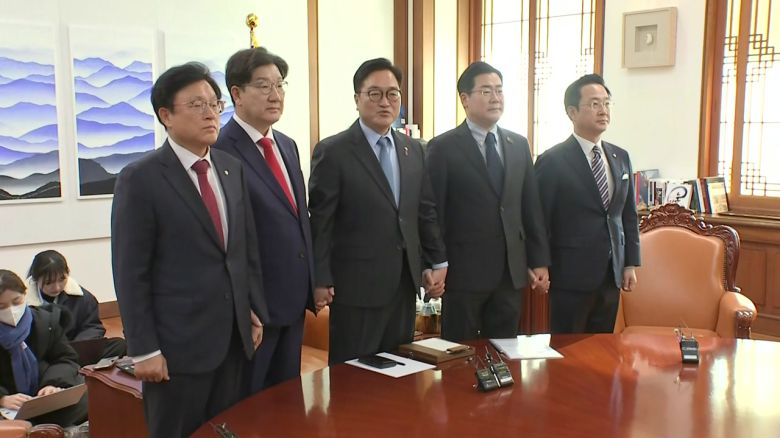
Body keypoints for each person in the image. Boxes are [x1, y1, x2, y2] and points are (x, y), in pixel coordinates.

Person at [111, 62, 268, 438]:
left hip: (232, 341)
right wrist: (144, 349)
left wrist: (251, 308)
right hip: (176, 349)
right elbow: (131, 272)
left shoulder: (230, 168)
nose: (211, 113)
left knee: (225, 431)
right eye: (197, 105)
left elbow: (243, 251)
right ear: (165, 115)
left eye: (214, 103)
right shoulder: (141, 178)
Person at [308, 58, 447, 364]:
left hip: (403, 284)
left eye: (393, 94)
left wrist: (436, 260)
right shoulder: (334, 151)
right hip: (355, 287)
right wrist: (320, 278)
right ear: (357, 99)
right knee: (354, 376)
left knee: (401, 371)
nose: (385, 102)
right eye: (375, 94)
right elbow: (321, 222)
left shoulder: (413, 149)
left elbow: (424, 211)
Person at [213, 47, 315, 393]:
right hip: (253, 307)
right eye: (263, 86)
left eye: (280, 85)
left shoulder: (286, 145)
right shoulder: (220, 149)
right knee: (251, 402)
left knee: (287, 399)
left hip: (293, 298)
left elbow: (299, 219)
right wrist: (244, 303)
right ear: (237, 93)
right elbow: (228, 237)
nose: (275, 95)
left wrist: (314, 279)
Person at [425, 61, 550, 341]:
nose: (495, 98)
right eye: (486, 91)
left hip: (510, 272)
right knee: (460, 352)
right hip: (464, 273)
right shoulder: (443, 147)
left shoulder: (518, 144)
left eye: (499, 90)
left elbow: (531, 208)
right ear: (465, 99)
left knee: (504, 351)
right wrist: (435, 262)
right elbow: (433, 212)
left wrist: (538, 260)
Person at [534, 73, 640, 334]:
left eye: (606, 103)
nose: (603, 110)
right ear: (572, 112)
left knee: (602, 348)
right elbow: (539, 218)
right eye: (594, 104)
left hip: (611, 272)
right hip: (570, 274)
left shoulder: (620, 156)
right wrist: (539, 263)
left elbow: (627, 215)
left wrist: (629, 263)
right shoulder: (553, 160)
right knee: (568, 348)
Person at [0, 269, 87, 427]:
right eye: (1, 306)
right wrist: (2, 398)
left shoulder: (45, 322)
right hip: (8, 406)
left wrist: (52, 385)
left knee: (91, 398)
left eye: (16, 301)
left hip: (42, 396)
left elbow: (65, 358)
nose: (11, 310)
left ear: (25, 295)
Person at [26, 250, 126, 364]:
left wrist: (80, 345)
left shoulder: (83, 297)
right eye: (49, 282)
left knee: (119, 345)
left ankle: (69, 364)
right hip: (44, 354)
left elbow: (93, 326)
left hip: (73, 349)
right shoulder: (24, 302)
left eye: (62, 279)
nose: (57, 287)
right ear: (35, 279)